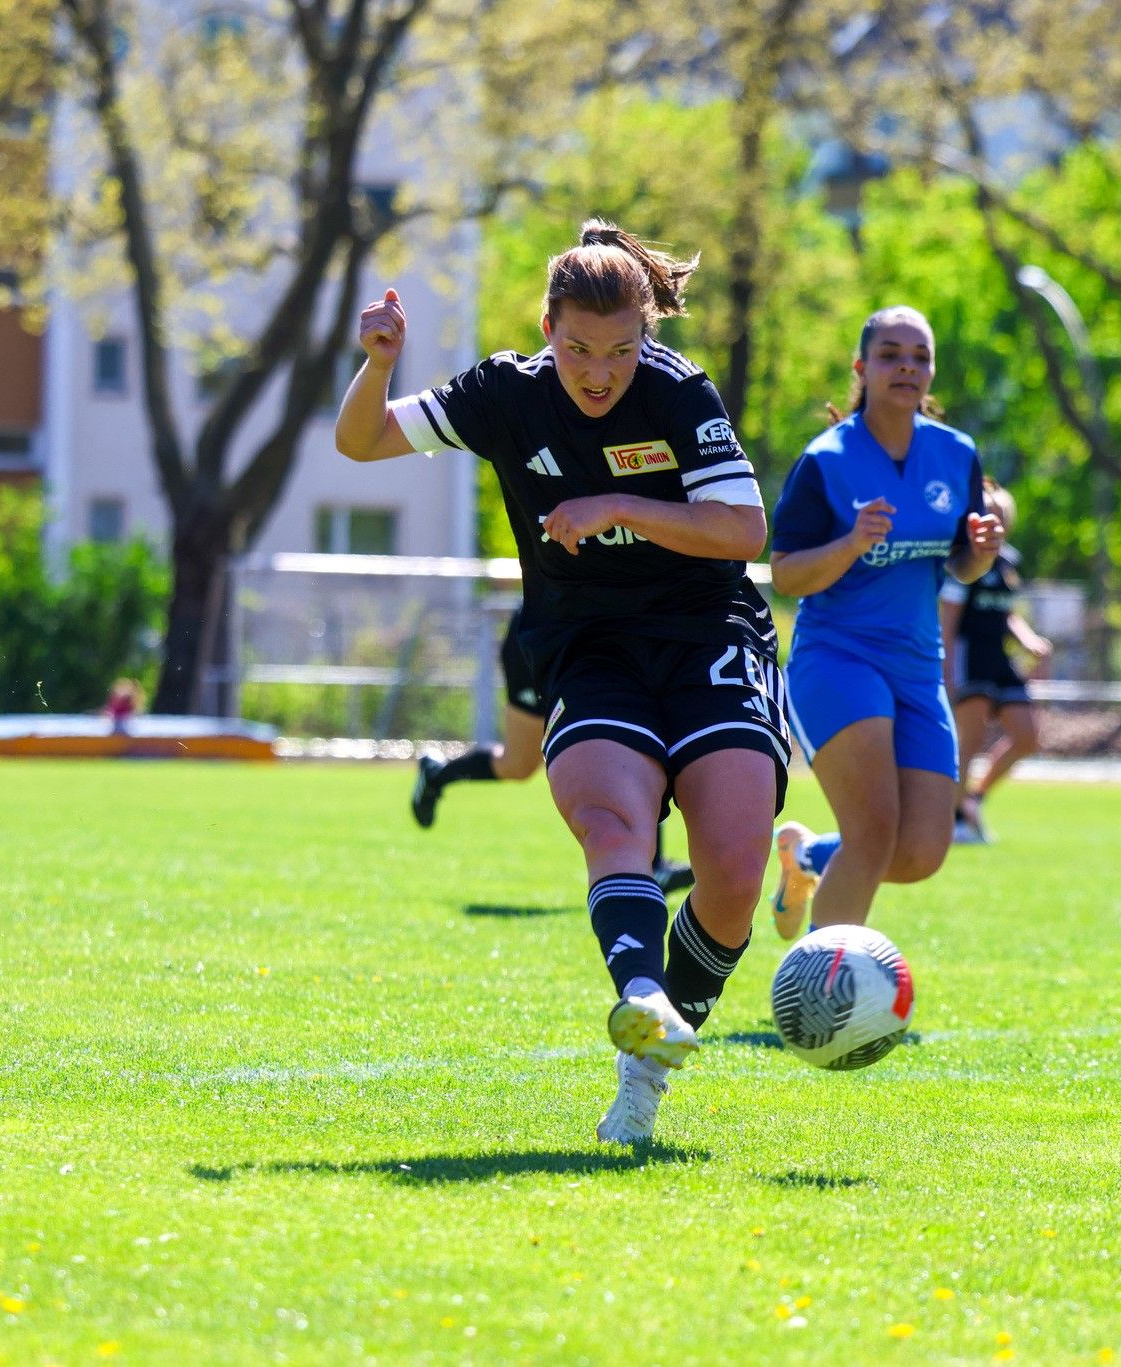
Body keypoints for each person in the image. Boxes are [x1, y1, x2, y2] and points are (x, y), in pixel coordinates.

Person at [335, 221, 787, 1145]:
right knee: (610, 821)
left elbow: (745, 531)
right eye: (578, 348)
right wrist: (378, 362)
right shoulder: (506, 393)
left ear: (647, 337)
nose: (598, 372)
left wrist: (620, 503)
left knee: (735, 870)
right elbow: (363, 442)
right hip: (587, 644)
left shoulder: (677, 391)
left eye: (621, 351)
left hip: (708, 634)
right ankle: (643, 996)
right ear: (548, 326)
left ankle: (650, 1061)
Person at [765, 305, 1004, 936]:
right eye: (891, 354)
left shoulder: (957, 455)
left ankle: (809, 855)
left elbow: (962, 567)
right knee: (872, 830)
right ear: (862, 368)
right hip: (838, 661)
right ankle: (822, 994)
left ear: (931, 372)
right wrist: (848, 544)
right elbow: (785, 574)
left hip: (917, 670)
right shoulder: (827, 459)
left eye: (919, 356)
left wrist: (979, 552)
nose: (906, 366)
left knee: (921, 853)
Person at [410, 602, 695, 894]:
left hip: (603, 642)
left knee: (634, 737)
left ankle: (653, 865)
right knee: (518, 765)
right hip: (544, 636)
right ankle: (437, 774)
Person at [939, 479, 1050, 843]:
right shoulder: (963, 561)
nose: (995, 522)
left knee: (1028, 736)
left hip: (999, 656)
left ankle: (973, 799)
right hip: (969, 656)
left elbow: (1006, 614)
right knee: (969, 741)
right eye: (988, 515)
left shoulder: (1008, 562)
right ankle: (954, 819)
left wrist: (1030, 641)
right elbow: (949, 619)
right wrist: (946, 670)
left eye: (1000, 516)